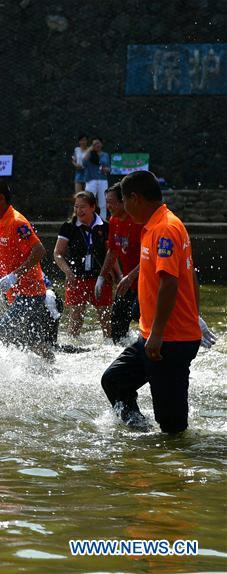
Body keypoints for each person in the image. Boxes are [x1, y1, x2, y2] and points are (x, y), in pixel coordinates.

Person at [100, 170, 216, 433]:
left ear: (135, 198)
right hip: (153, 336)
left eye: (125, 202)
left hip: (169, 341)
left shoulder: (165, 228)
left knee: (172, 427)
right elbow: (191, 274)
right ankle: (141, 432)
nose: (125, 210)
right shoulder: (154, 226)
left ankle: (174, 465)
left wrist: (161, 333)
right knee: (115, 380)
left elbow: (170, 282)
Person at [0, 179, 53, 360]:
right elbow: (4, 253)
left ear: (0, 199)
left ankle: (7, 365)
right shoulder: (1, 222)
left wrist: (14, 276)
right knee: (32, 340)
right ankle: (51, 367)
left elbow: (39, 251)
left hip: (30, 292)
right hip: (17, 293)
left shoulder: (17, 222)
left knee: (1, 331)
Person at [53, 191, 112, 339]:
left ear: (93, 207)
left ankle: (109, 349)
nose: (79, 210)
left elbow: (111, 253)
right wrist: (68, 272)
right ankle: (73, 349)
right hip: (76, 278)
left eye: (83, 207)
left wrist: (116, 275)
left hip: (100, 278)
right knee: (76, 319)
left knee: (106, 319)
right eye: (76, 207)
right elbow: (57, 253)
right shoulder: (69, 226)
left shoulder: (104, 226)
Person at [100, 182, 143, 343]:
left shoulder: (140, 222)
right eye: (106, 201)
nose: (108, 206)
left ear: (123, 201)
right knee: (117, 323)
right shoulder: (113, 221)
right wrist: (101, 277)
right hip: (128, 283)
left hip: (145, 282)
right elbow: (112, 251)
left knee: (138, 314)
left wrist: (130, 277)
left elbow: (150, 256)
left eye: (111, 202)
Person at [82, 138, 110, 218]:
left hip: (102, 180)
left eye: (98, 143)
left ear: (102, 144)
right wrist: (89, 150)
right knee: (88, 200)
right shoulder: (89, 154)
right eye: (94, 144)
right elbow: (83, 162)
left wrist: (105, 169)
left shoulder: (105, 155)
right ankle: (88, 219)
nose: (97, 145)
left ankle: (102, 221)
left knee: (103, 202)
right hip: (91, 180)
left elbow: (109, 168)